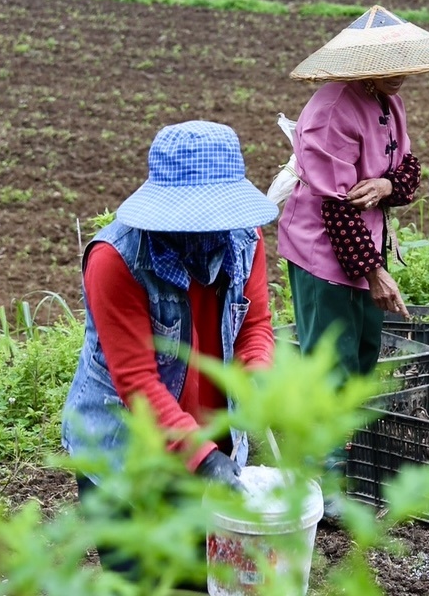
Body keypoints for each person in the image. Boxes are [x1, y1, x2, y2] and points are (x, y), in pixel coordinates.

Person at [60, 120, 279, 581]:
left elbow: (255, 324)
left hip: (211, 446)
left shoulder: (244, 239)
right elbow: (137, 381)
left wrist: (256, 378)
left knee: (206, 580)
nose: (208, 229)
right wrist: (202, 458)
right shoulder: (116, 260)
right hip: (123, 453)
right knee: (142, 582)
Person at [279, 5, 429, 384]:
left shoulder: (390, 100)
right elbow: (336, 207)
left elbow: (409, 170)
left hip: (365, 244)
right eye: (386, 65)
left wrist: (385, 185)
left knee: (365, 352)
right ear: (361, 61)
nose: (398, 75)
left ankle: (353, 439)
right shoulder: (332, 110)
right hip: (325, 251)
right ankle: (329, 443)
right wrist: (375, 273)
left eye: (402, 63)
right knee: (331, 366)